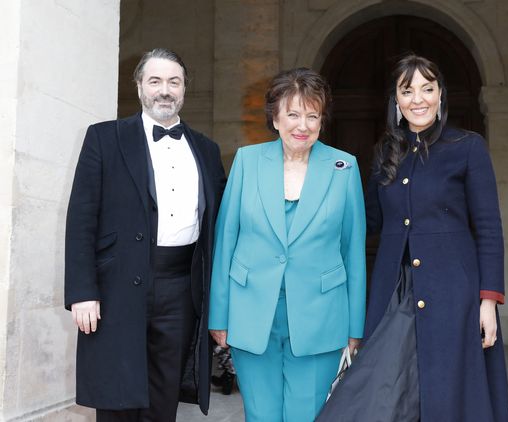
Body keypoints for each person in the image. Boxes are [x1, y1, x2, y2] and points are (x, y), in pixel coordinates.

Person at [318, 54, 508, 421]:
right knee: (373, 395)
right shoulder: (385, 152)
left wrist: (488, 301)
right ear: (396, 99)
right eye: (407, 91)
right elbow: (368, 221)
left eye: (427, 88)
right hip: (395, 291)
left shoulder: (468, 147)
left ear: (441, 95)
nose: (418, 99)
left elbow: (488, 227)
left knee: (449, 396)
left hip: (455, 294)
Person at [64, 48, 226, 421]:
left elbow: (219, 227)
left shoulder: (207, 149)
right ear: (139, 88)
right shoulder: (104, 138)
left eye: (174, 82)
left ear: (184, 89)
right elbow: (81, 218)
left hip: (181, 287)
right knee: (116, 395)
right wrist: (83, 292)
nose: (164, 90)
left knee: (163, 396)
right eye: (155, 81)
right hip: (115, 285)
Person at [208, 68, 366, 422]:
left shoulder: (345, 167)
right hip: (251, 311)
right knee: (261, 416)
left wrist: (355, 326)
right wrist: (219, 314)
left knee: (307, 415)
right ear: (275, 118)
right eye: (293, 114)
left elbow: (352, 251)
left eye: (313, 115)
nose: (303, 125)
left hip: (321, 315)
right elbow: (225, 241)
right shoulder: (247, 162)